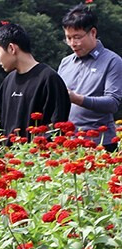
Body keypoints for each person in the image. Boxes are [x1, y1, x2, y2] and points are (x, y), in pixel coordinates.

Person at [0, 23, 71, 143]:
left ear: (11, 48)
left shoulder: (49, 79)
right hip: (8, 158)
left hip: (36, 158)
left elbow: (57, 126)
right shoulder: (8, 81)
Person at [58, 4, 122, 151]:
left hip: (101, 143)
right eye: (68, 38)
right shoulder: (66, 62)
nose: (73, 44)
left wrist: (77, 98)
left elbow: (112, 103)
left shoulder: (112, 61)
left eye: (77, 37)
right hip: (69, 140)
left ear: (93, 32)